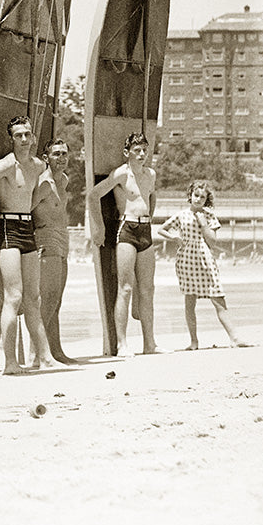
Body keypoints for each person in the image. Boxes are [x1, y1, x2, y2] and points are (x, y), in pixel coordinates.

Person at [0, 115, 59, 374]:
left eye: (27, 134)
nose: (24, 140)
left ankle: (44, 355)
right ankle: (9, 362)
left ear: (33, 137)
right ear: (12, 139)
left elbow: (42, 193)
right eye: (18, 135)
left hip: (27, 226)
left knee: (33, 297)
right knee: (13, 296)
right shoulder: (7, 165)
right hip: (7, 226)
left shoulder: (38, 166)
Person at [87, 131, 160, 357]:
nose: (141, 155)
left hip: (145, 229)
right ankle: (122, 344)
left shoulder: (150, 174)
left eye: (144, 150)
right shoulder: (121, 174)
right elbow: (93, 195)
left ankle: (150, 344)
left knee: (148, 289)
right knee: (126, 288)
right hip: (126, 229)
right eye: (137, 151)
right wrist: (98, 227)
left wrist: (149, 217)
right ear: (127, 153)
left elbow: (151, 197)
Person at [156, 178, 250, 349]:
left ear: (207, 200)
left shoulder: (209, 216)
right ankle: (193, 342)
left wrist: (203, 224)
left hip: (205, 260)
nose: (198, 199)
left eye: (202, 197)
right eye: (196, 195)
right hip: (186, 261)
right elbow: (161, 229)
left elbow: (212, 242)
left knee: (218, 297)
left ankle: (234, 338)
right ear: (190, 195)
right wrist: (174, 238)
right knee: (190, 302)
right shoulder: (182, 215)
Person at [32, 138, 78, 364]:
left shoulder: (64, 180)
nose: (62, 158)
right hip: (46, 238)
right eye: (56, 154)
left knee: (57, 299)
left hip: (62, 239)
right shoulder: (44, 184)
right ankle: (37, 352)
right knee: (47, 298)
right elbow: (26, 209)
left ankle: (56, 350)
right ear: (46, 158)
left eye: (64, 154)